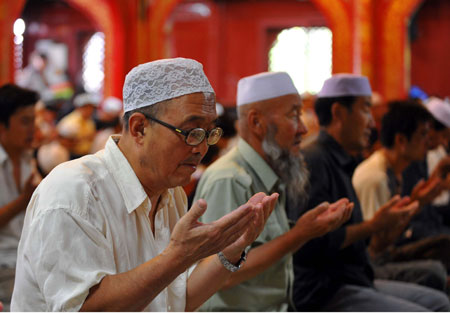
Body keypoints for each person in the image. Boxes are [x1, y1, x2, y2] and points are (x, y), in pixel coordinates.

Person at [11, 58, 279, 311]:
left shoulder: (169, 192)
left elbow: (174, 301)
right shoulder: (75, 191)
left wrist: (232, 248)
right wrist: (178, 257)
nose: (201, 148)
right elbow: (83, 308)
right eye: (191, 132)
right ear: (139, 128)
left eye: (209, 133)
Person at [194, 72, 353, 311]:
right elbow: (220, 274)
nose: (303, 129)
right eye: (293, 115)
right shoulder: (229, 179)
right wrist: (300, 233)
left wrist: (307, 231)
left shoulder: (272, 173)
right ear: (257, 123)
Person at [292, 74, 450, 311]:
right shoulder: (315, 160)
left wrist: (414, 204)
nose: (371, 123)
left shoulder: (342, 159)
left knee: (437, 300)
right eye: (365, 110)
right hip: (324, 290)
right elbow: (312, 243)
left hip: (353, 278)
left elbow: (372, 244)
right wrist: (375, 225)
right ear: (338, 113)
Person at [0, 84, 41, 311]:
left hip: (29, 258)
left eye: (34, 120)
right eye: (25, 121)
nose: (33, 128)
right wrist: (23, 200)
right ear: (2, 126)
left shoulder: (28, 158)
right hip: (4, 262)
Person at [57, 93, 98, 158]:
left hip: (85, 155)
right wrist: (81, 140)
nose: (89, 110)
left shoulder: (89, 121)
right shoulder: (69, 123)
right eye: (86, 107)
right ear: (78, 107)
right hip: (72, 157)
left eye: (91, 107)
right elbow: (63, 143)